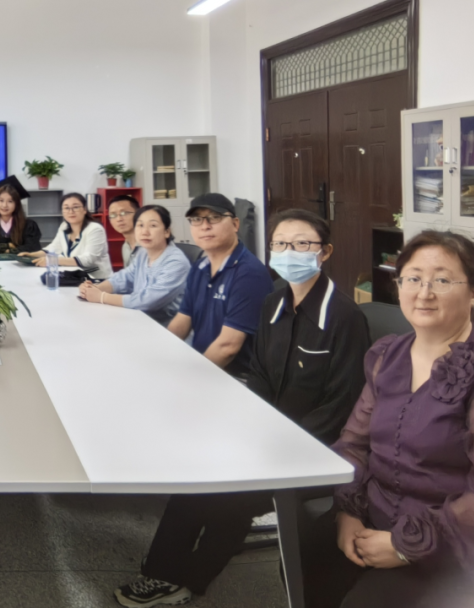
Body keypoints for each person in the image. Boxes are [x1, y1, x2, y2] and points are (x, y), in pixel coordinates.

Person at [113, 209, 370, 608]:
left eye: (302, 243)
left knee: (228, 496)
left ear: (325, 252)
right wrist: (251, 430)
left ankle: (182, 580)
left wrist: (279, 446)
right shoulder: (273, 304)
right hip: (268, 435)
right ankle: (162, 571)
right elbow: (260, 376)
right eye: (281, 243)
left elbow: (342, 405)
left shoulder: (345, 317)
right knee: (197, 475)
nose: (290, 252)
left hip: (315, 449)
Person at [301, 230, 474, 608]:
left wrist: (406, 546)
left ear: (473, 292)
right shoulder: (386, 354)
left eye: (442, 280)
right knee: (304, 563)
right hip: (372, 515)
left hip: (455, 542)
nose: (424, 292)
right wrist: (347, 514)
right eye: (413, 278)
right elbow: (354, 442)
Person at [167, 193, 273, 377]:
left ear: (235, 224)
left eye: (215, 217)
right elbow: (183, 320)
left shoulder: (249, 273)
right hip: (206, 365)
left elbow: (227, 347)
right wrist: (160, 355)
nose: (205, 226)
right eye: (197, 219)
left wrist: (190, 378)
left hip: (237, 377)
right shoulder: (200, 267)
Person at [79, 205, 189, 325]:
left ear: (167, 232)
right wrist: (95, 289)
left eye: (153, 225)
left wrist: (102, 297)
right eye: (140, 225)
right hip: (139, 320)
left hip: (166, 329)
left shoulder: (176, 262)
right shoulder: (143, 253)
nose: (145, 232)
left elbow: (147, 301)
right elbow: (123, 278)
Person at [20, 193, 113, 279]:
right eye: (66, 208)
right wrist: (31, 255)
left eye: (76, 207)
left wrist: (53, 261)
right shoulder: (64, 226)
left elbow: (88, 259)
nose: (71, 211)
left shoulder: (95, 229)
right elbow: (54, 248)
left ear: (84, 210)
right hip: (75, 277)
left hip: (96, 279)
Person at [0, 176, 42, 254]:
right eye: (1, 200)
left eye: (10, 201)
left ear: (16, 204)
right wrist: (9, 246)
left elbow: (33, 248)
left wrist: (6, 250)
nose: (4, 205)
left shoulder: (29, 225)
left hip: (20, 261)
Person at [107, 194, 139, 266]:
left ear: (138, 213)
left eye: (124, 213)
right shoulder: (125, 246)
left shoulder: (150, 245)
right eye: (113, 215)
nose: (119, 219)